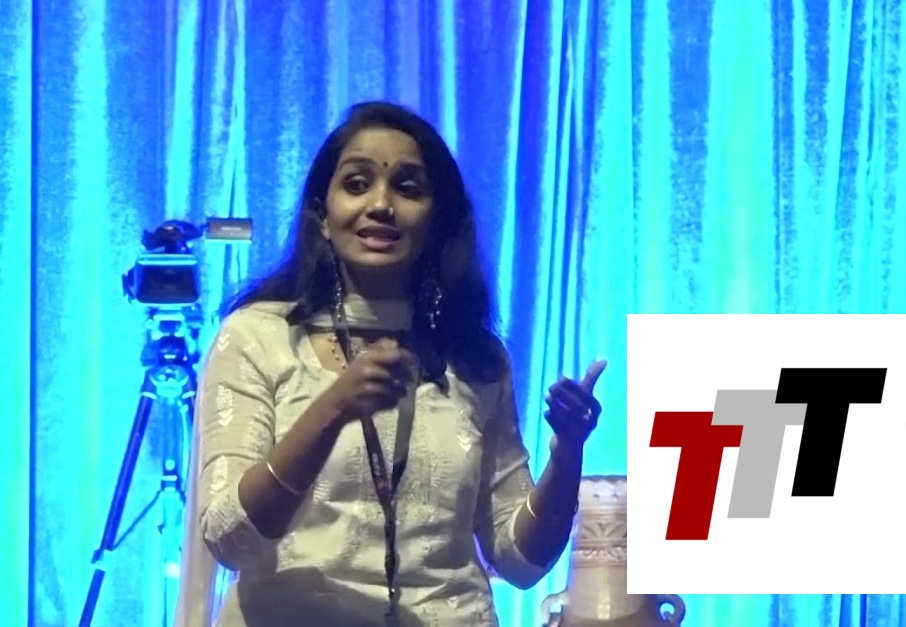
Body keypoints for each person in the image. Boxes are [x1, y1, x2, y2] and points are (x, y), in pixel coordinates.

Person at [176, 101, 606, 627]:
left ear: (437, 220)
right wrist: (332, 410)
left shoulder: (475, 358)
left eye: (407, 188)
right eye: (357, 184)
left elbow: (521, 560)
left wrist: (567, 453)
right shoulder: (258, 337)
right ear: (322, 215)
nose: (381, 205)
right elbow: (230, 536)